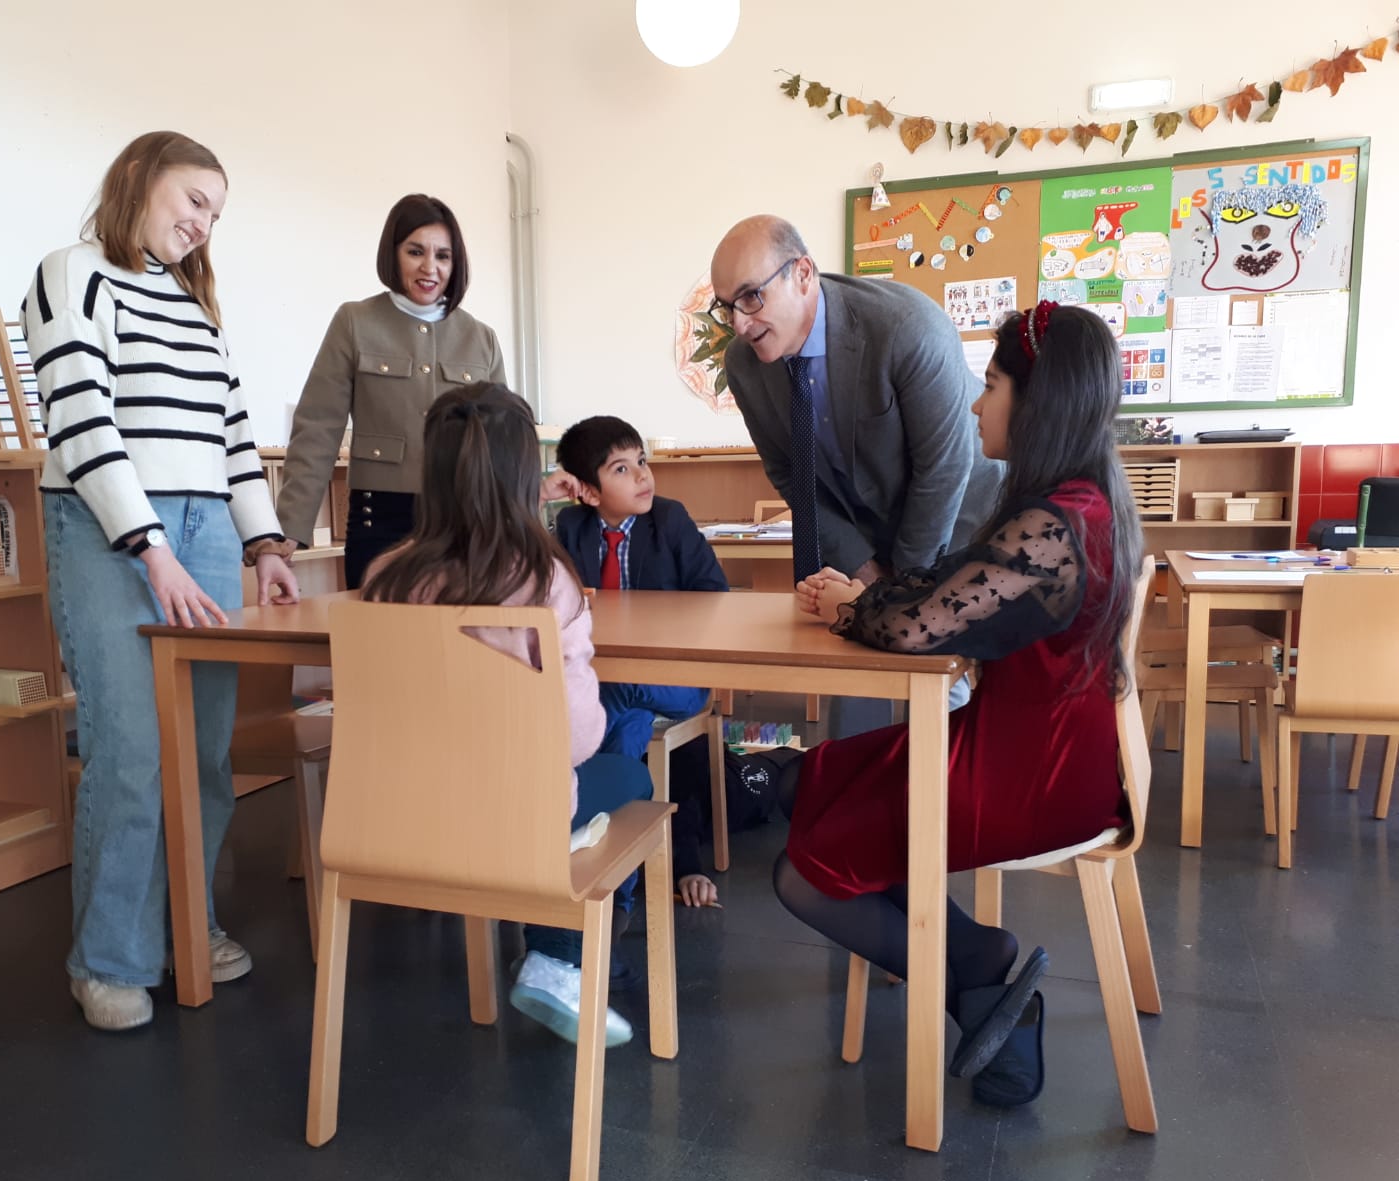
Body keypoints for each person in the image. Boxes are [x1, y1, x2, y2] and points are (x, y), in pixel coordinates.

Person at [774, 302, 1142, 1106]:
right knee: (821, 778)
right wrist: (861, 592)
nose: (977, 405)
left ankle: (974, 974)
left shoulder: (1054, 523)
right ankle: (975, 966)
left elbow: (914, 625)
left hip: (1031, 775)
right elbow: (953, 592)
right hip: (1038, 748)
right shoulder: (1082, 501)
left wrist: (846, 605)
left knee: (804, 875)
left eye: (991, 385)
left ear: (1035, 402)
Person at [22, 130, 300, 1032]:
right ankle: (109, 957)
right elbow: (80, 417)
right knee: (133, 755)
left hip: (206, 534)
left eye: (213, 213)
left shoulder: (192, 305)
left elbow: (233, 437)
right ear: (139, 182)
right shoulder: (73, 272)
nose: (200, 223)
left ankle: (190, 926)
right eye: (191, 200)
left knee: (204, 758)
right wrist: (151, 547)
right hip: (111, 533)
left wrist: (264, 547)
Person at [363, 383, 649, 1048]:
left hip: (406, 817)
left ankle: (555, 948)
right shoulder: (544, 579)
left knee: (558, 790)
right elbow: (576, 735)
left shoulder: (384, 578)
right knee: (626, 781)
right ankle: (557, 956)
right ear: (527, 472)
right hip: (514, 813)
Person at [710, 216, 1004, 725]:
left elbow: (944, 470)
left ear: (802, 274)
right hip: (865, 538)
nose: (739, 323)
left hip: (962, 520)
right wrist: (866, 571)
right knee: (858, 684)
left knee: (942, 684)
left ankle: (951, 786)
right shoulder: (744, 364)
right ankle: (870, 786)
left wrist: (902, 590)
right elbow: (793, 475)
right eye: (726, 306)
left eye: (751, 297)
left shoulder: (907, 328)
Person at [276, 194, 506, 587]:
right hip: (379, 517)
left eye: (443, 256)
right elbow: (318, 428)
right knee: (377, 641)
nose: (429, 267)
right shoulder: (355, 321)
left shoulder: (481, 339)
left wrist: (520, 525)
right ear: (392, 253)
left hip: (465, 519)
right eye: (415, 251)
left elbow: (505, 444)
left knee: (457, 643)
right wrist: (289, 530)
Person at [553, 415, 731, 908]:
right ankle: (622, 890)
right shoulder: (569, 527)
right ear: (587, 491)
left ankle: (580, 832)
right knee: (627, 722)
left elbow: (715, 596)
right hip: (610, 685)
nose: (642, 476)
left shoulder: (669, 519)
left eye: (642, 462)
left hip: (677, 681)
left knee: (617, 694)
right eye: (621, 469)